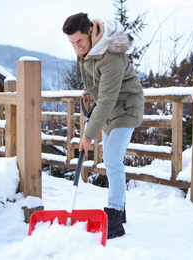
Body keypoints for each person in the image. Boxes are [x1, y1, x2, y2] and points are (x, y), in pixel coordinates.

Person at [62, 12, 144, 239]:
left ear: (90, 31)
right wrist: (92, 93)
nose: (77, 47)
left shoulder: (110, 54)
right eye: (71, 43)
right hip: (108, 109)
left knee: (112, 159)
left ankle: (115, 217)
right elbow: (100, 87)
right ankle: (121, 208)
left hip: (125, 108)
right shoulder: (86, 50)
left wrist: (87, 136)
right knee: (111, 161)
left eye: (79, 40)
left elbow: (108, 99)